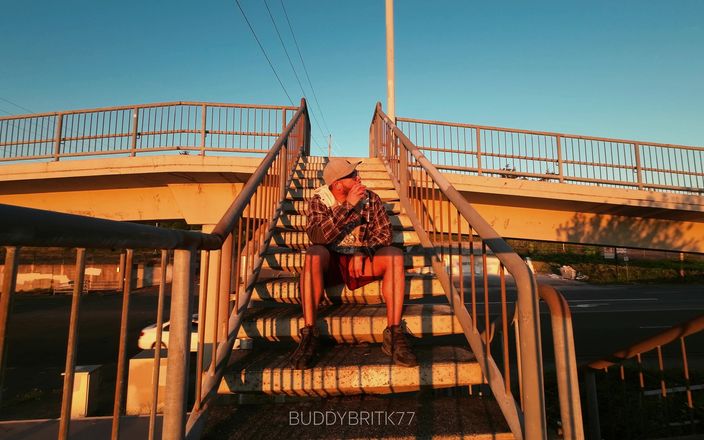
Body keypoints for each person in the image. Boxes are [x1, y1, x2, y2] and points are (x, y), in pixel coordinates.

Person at [289, 158, 417, 369]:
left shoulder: (371, 198)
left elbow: (385, 233)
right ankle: (310, 333)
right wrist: (347, 206)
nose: (358, 177)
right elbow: (318, 236)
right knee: (313, 253)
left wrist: (361, 251)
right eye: (352, 175)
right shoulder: (320, 199)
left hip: (361, 261)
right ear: (338, 184)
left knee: (394, 254)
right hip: (331, 262)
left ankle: (394, 333)